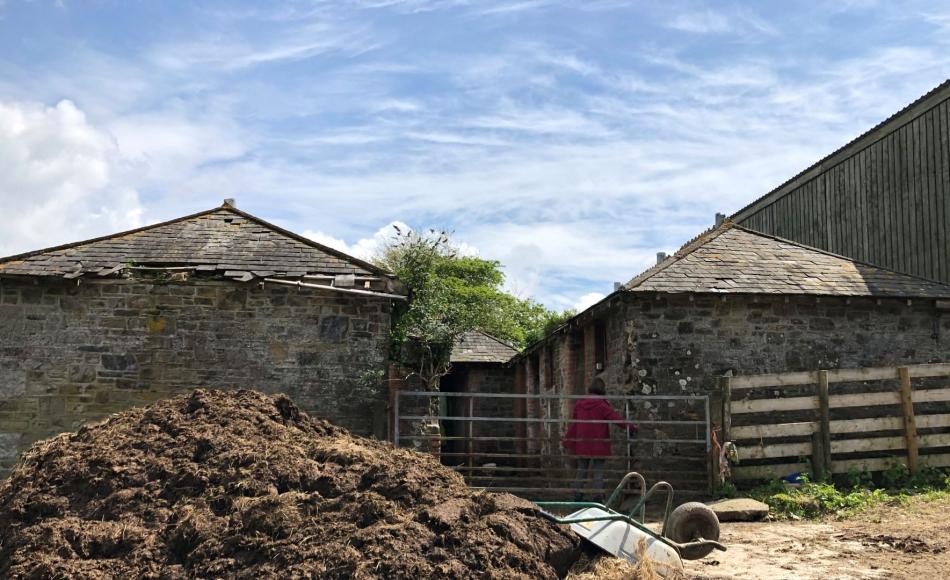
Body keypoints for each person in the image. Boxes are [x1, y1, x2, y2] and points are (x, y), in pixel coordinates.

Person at [562, 378, 637, 501]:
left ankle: (577, 494)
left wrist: (567, 441)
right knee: (598, 471)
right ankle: (597, 496)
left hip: (583, 443)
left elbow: (574, 424)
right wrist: (631, 427)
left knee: (582, 470)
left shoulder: (580, 404)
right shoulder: (602, 405)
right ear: (603, 390)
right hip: (599, 443)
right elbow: (615, 418)